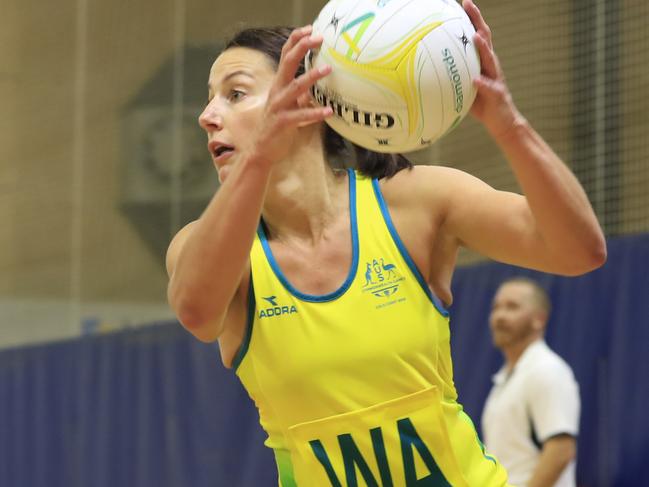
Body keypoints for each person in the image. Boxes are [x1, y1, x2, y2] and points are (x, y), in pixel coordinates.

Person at [165, 0, 606, 484]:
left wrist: (507, 123)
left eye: (235, 94)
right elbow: (196, 312)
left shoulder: (415, 202)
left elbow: (579, 251)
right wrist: (258, 158)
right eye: (209, 99)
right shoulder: (210, 250)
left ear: (309, 99)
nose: (207, 116)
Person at [481, 278, 580, 487]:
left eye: (512, 307)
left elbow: (561, 450)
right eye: (496, 307)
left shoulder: (546, 369)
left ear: (539, 320)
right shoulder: (507, 378)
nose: (499, 316)